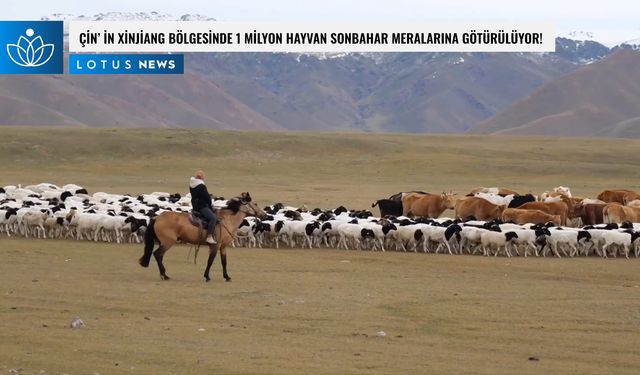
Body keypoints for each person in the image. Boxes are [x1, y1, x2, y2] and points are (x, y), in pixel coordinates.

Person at [189, 170, 217, 244]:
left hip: (195, 205)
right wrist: (210, 204)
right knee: (213, 218)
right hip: (201, 206)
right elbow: (206, 197)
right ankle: (209, 236)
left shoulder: (192, 184)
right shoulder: (201, 185)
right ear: (201, 177)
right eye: (203, 176)